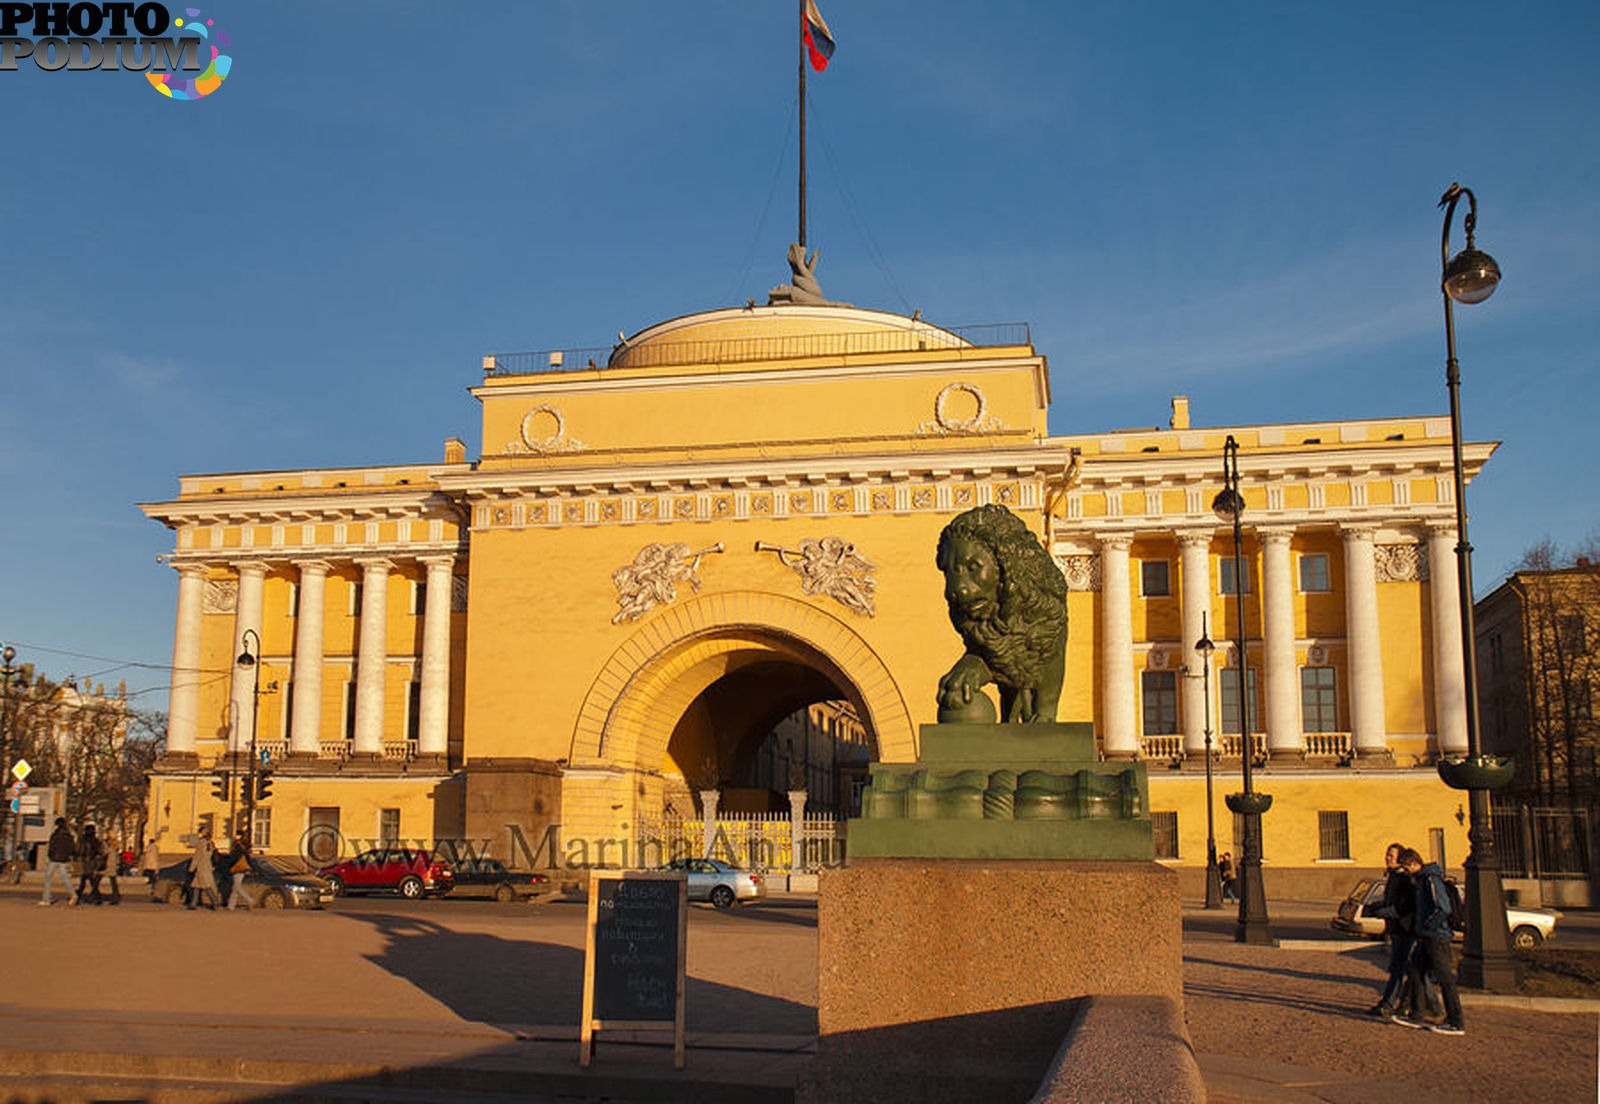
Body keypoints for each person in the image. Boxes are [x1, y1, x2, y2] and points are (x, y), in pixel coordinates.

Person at [1391, 848, 1464, 1035]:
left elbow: (1443, 908)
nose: (1406, 873)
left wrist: (1429, 925)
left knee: (1445, 978)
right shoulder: (1422, 880)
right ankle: (1417, 1014)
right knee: (1415, 971)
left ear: (1414, 864)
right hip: (1426, 935)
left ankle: (1456, 1021)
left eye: (1407, 869)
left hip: (1436, 936)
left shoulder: (1431, 880)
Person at [1367, 842, 1415, 1017]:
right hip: (1396, 928)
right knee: (1410, 970)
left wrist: (1383, 911)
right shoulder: (1393, 877)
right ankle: (1412, 1003)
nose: (1387, 858)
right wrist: (1377, 907)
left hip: (1404, 929)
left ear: (1400, 859)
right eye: (1387, 854)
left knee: (1398, 969)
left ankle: (1388, 1003)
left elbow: (1404, 907)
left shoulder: (1404, 879)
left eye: (1391, 855)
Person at [39, 817, 77, 906]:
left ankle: (46, 899)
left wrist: (50, 855)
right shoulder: (69, 835)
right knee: (65, 878)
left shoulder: (55, 834)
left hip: (54, 858)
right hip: (64, 859)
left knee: (48, 878)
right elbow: (72, 848)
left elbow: (52, 846)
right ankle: (73, 894)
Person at [187, 831, 220, 910]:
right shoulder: (211, 843)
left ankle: (214, 902)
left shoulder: (201, 843)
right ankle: (193, 904)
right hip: (207, 866)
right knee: (196, 885)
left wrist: (191, 868)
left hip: (201, 866)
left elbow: (197, 856)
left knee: (205, 886)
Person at [75, 823, 105, 906]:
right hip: (92, 862)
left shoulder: (83, 840)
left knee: (85, 881)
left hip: (85, 862)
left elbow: (78, 850)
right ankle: (97, 898)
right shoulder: (96, 841)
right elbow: (100, 852)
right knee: (90, 881)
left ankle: (77, 897)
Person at [226, 834, 255, 910]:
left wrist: (229, 864)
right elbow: (248, 858)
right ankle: (231, 906)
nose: (235, 836)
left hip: (237, 868)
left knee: (237, 887)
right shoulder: (244, 846)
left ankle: (250, 900)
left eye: (237, 835)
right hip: (242, 869)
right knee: (235, 887)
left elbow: (234, 858)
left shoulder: (238, 847)